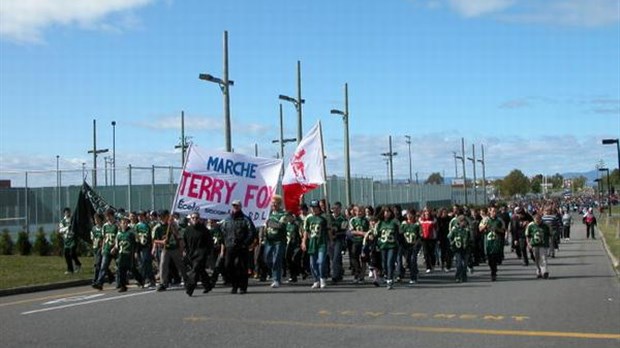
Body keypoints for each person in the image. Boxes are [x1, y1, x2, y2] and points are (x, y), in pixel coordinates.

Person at [220, 200, 257, 294]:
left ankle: (242, 287)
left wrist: (245, 243)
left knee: (242, 267)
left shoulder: (246, 219)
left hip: (242, 247)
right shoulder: (227, 219)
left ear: (240, 207)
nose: (235, 207)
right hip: (230, 247)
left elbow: (252, 232)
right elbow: (222, 232)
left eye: (237, 206)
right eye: (233, 206)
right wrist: (224, 243)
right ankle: (234, 285)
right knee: (228, 265)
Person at [152, 209, 187, 292]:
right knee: (163, 265)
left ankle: (186, 279)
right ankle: (163, 283)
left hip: (174, 248)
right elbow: (154, 240)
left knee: (180, 264)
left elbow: (178, 235)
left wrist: (172, 226)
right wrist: (162, 241)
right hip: (165, 249)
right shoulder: (157, 228)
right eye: (162, 216)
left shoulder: (173, 224)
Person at [301, 200, 330, 289]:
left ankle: (322, 278)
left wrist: (331, 241)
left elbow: (329, 229)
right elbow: (306, 230)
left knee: (321, 261)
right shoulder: (308, 218)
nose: (314, 209)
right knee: (312, 263)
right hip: (312, 243)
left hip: (322, 242)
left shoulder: (324, 217)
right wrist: (303, 242)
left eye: (315, 208)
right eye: (312, 208)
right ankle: (316, 279)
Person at [183, 213, 213, 296]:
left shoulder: (204, 229)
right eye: (193, 218)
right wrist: (185, 251)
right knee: (201, 270)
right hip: (191, 253)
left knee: (195, 270)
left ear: (199, 219)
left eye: (196, 218)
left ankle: (190, 288)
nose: (195, 219)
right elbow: (185, 242)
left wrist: (209, 252)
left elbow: (209, 241)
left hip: (201, 253)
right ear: (190, 219)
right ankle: (208, 285)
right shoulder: (188, 230)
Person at [264, 195, 287, 288]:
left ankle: (276, 279)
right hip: (269, 240)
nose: (273, 204)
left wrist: (269, 223)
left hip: (279, 241)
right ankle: (275, 272)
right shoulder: (268, 214)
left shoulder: (283, 214)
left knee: (276, 260)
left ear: (279, 204)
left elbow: (280, 226)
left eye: (275, 203)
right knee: (267, 259)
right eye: (272, 202)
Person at [92, 209, 118, 290]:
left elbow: (119, 237)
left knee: (119, 266)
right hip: (107, 248)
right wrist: (103, 248)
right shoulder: (105, 226)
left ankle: (120, 282)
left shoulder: (117, 225)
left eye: (109, 216)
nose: (108, 218)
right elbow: (104, 238)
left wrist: (115, 247)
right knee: (103, 266)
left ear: (112, 215)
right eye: (106, 216)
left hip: (115, 249)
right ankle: (99, 283)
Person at [376, 205, 400, 290]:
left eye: (388, 212)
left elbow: (399, 234)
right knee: (384, 263)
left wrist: (399, 243)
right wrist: (377, 244)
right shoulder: (380, 223)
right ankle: (386, 275)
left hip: (392, 246)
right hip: (383, 245)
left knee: (390, 262)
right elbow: (377, 235)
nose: (387, 213)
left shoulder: (394, 222)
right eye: (385, 212)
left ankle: (390, 280)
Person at [480, 206, 505, 281]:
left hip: (497, 242)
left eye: (495, 211)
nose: (494, 212)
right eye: (493, 211)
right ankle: (493, 271)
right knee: (490, 258)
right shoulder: (485, 220)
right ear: (489, 212)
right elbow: (480, 229)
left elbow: (503, 230)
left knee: (496, 257)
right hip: (488, 242)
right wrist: (485, 226)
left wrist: (497, 229)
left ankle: (494, 271)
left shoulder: (499, 220)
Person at [526, 212, 551, 279]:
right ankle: (538, 270)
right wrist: (528, 244)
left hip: (543, 244)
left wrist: (550, 244)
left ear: (541, 219)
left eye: (539, 219)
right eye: (536, 219)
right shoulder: (530, 225)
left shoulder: (545, 225)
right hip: (534, 244)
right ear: (534, 219)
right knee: (537, 259)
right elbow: (527, 235)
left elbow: (549, 235)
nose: (537, 221)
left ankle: (545, 271)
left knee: (543, 258)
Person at [114, 215, 136, 292]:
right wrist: (114, 248)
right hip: (121, 254)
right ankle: (123, 286)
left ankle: (140, 280)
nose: (124, 224)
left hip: (129, 254)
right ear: (120, 224)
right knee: (120, 270)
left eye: (126, 223)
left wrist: (135, 252)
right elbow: (117, 244)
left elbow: (135, 242)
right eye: (123, 223)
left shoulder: (131, 232)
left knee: (132, 269)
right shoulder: (119, 233)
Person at [348, 205, 369, 283]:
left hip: (364, 242)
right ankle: (357, 273)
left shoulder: (366, 220)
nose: (359, 212)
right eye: (357, 211)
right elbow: (352, 231)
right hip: (355, 241)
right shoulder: (352, 220)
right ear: (354, 212)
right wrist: (362, 233)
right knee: (354, 257)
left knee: (364, 258)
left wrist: (366, 235)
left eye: (361, 210)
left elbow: (369, 230)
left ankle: (362, 276)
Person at [399, 209, 421, 284]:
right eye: (408, 214)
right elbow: (400, 233)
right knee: (408, 260)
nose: (409, 216)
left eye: (411, 214)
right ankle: (411, 271)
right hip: (406, 246)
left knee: (413, 260)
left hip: (414, 245)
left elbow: (420, 235)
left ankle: (413, 277)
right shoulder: (404, 224)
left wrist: (417, 243)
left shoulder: (417, 224)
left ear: (414, 215)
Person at [329, 201, 348, 283]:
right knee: (333, 258)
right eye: (334, 208)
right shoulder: (329, 217)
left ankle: (335, 276)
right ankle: (339, 272)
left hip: (338, 239)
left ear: (340, 209)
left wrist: (336, 233)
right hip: (330, 240)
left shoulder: (343, 219)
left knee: (336, 257)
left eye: (337, 208)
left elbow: (344, 230)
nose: (335, 210)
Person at [448, 214, 470, 283]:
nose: (464, 223)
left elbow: (470, 238)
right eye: (462, 221)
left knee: (465, 264)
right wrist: (452, 242)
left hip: (466, 248)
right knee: (459, 263)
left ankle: (464, 276)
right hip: (457, 249)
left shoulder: (467, 229)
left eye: (464, 221)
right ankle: (457, 276)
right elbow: (449, 236)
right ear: (459, 222)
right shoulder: (455, 229)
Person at [58, 207, 81, 274]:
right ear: (64, 213)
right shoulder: (63, 221)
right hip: (66, 240)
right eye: (66, 212)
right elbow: (60, 230)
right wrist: (67, 228)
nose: (67, 213)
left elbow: (77, 228)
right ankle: (70, 269)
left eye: (69, 212)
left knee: (72, 253)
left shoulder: (73, 220)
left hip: (73, 239)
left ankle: (78, 263)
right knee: (66, 254)